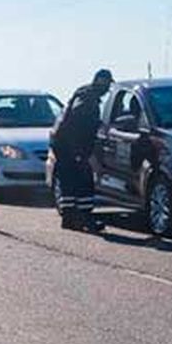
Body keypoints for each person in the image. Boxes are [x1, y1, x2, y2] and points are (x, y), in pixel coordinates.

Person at [49, 69, 113, 232]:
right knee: (83, 181)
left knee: (68, 182)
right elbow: (77, 125)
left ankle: (70, 218)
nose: (106, 89)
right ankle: (83, 218)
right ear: (100, 82)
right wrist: (79, 153)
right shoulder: (87, 99)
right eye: (106, 84)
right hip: (70, 146)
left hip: (64, 144)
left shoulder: (84, 94)